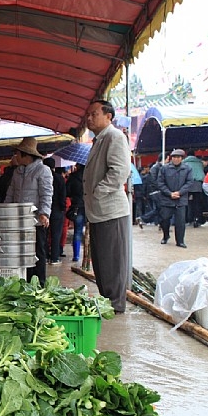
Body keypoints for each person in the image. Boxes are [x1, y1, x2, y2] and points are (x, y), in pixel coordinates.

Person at [83, 100, 132, 314]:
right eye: (89, 115)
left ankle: (115, 303)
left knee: (112, 261)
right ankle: (107, 301)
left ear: (109, 116)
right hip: (98, 212)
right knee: (102, 261)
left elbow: (120, 172)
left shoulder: (114, 137)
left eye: (94, 114)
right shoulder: (99, 140)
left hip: (110, 210)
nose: (89, 118)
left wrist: (98, 192)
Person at [4, 137, 52, 283]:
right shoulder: (17, 172)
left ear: (26, 155)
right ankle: (25, 283)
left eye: (17, 154)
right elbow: (10, 194)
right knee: (22, 254)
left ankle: (40, 285)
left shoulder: (42, 170)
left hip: (35, 221)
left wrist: (44, 213)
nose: (15, 157)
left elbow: (46, 193)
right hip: (19, 222)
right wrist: (6, 211)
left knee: (38, 253)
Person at [157, 148, 194, 248]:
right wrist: (169, 193)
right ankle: (166, 236)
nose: (176, 159)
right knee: (164, 219)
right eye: (174, 157)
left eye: (178, 157)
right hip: (167, 198)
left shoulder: (187, 168)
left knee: (180, 221)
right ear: (171, 158)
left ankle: (180, 241)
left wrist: (180, 192)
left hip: (181, 199)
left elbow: (189, 182)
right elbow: (160, 183)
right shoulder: (164, 168)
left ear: (182, 158)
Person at [44, 159, 66, 264]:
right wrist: (62, 208)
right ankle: (54, 257)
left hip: (44, 209)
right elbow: (63, 195)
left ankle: (43, 256)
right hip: (57, 209)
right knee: (56, 234)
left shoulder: (42, 177)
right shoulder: (59, 178)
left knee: (43, 234)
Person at [65, 163, 86, 262]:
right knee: (91, 232)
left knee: (77, 231)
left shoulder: (73, 177)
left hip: (77, 206)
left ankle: (76, 256)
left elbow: (67, 192)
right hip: (90, 207)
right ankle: (88, 256)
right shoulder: (90, 175)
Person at [182, 151, 206, 227]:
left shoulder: (184, 163)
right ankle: (197, 219)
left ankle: (189, 219)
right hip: (198, 184)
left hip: (188, 184)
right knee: (197, 203)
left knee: (188, 203)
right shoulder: (199, 163)